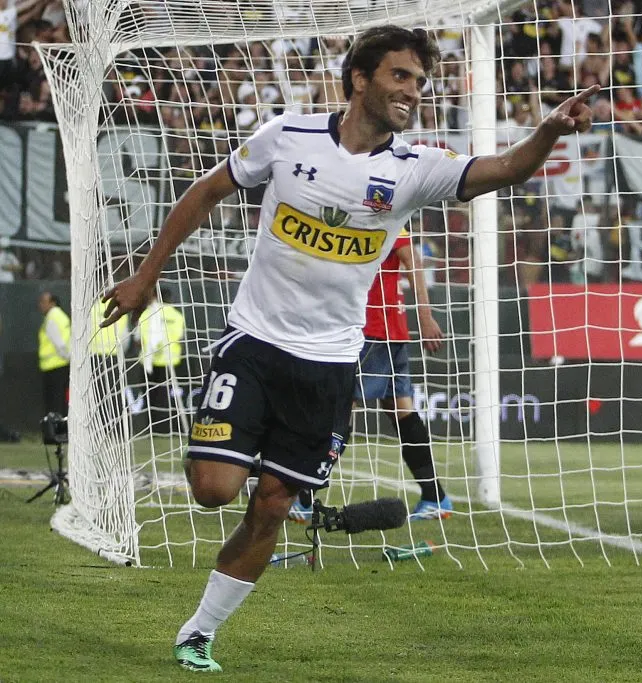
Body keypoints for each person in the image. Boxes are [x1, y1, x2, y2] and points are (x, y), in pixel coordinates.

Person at [99, 25, 598, 673]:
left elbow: (504, 168)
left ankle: (198, 631)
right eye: (399, 76)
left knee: (273, 503)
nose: (413, 92)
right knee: (212, 489)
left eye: (419, 81)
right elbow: (206, 191)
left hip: (331, 364)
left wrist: (547, 132)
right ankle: (255, 458)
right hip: (254, 341)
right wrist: (146, 274)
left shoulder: (413, 168)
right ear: (360, 79)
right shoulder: (287, 136)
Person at [289, 229, 450, 523]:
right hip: (389, 331)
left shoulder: (382, 213)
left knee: (339, 411)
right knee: (401, 412)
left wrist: (425, 317)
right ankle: (435, 496)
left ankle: (303, 497)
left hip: (373, 330)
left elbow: (411, 258)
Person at [136, 288, 185, 436]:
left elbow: (138, 339)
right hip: (170, 361)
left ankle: (150, 429)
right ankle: (164, 429)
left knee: (149, 396)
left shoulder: (146, 314)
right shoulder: (177, 316)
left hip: (148, 361)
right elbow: (181, 337)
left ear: (156, 297)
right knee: (165, 398)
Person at [38, 291, 70, 417]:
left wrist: (67, 357)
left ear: (52, 303)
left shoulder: (52, 318)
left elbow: (59, 343)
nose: (40, 305)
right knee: (61, 402)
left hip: (54, 367)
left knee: (54, 404)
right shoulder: (61, 316)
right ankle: (61, 431)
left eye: (43, 302)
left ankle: (55, 432)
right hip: (60, 365)